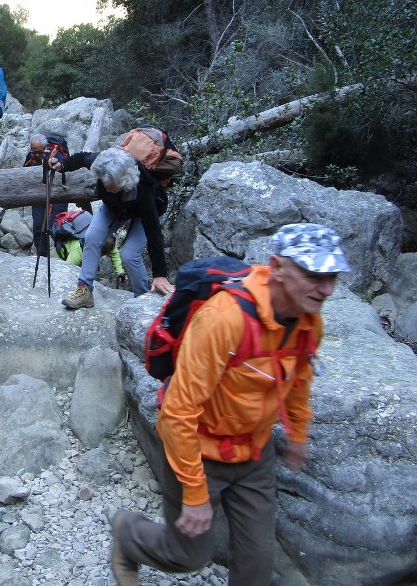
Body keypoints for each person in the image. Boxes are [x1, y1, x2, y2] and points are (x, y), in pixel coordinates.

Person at [109, 223, 351, 586]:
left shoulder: (307, 321)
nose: (326, 288)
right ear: (278, 267)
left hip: (255, 452)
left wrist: (297, 432)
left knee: (256, 565)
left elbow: (299, 379)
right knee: (187, 555)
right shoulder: (224, 318)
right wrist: (194, 492)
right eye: (314, 274)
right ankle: (129, 534)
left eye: (331, 275)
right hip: (201, 450)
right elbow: (178, 410)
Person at [50, 146, 174, 309]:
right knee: (91, 237)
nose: (106, 188)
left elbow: (154, 235)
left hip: (145, 211)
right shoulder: (104, 163)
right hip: (114, 207)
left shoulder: (145, 191)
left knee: (130, 255)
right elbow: (82, 158)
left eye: (110, 185)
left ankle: (142, 300)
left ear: (124, 182)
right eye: (103, 182)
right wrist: (62, 165)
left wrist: (160, 274)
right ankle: (84, 291)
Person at [24, 133, 67, 257]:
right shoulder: (30, 156)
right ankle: (42, 257)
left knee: (56, 228)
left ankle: (63, 257)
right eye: (34, 152)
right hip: (39, 197)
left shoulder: (57, 155)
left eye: (40, 152)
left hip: (58, 197)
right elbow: (25, 173)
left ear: (46, 147)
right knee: (38, 228)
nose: (37, 155)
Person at [56, 233, 128, 289]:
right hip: (60, 255)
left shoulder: (109, 244)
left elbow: (114, 255)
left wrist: (120, 272)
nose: (103, 254)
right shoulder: (78, 252)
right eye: (103, 253)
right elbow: (67, 269)